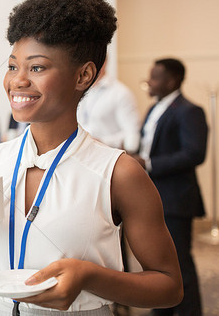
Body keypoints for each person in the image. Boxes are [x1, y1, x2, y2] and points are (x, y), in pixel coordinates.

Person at [0, 0, 183, 315]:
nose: (18, 81)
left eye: (36, 68)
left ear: (84, 75)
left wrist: (90, 276)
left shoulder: (118, 173)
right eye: (12, 66)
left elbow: (169, 287)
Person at [132, 58, 207, 316]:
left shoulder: (189, 111)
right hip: (155, 197)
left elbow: (195, 153)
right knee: (160, 264)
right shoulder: (156, 108)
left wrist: (149, 163)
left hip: (176, 198)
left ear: (171, 81)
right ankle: (162, 310)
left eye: (153, 77)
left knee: (180, 263)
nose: (149, 82)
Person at [77, 59, 141, 316]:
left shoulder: (120, 93)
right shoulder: (80, 92)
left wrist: (99, 142)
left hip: (109, 172)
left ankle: (120, 298)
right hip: (81, 172)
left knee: (114, 234)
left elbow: (133, 137)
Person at [77, 60, 140, 153]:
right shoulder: (79, 90)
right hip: (80, 154)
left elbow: (132, 139)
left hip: (106, 156)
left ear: (104, 62)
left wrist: (102, 141)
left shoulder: (121, 93)